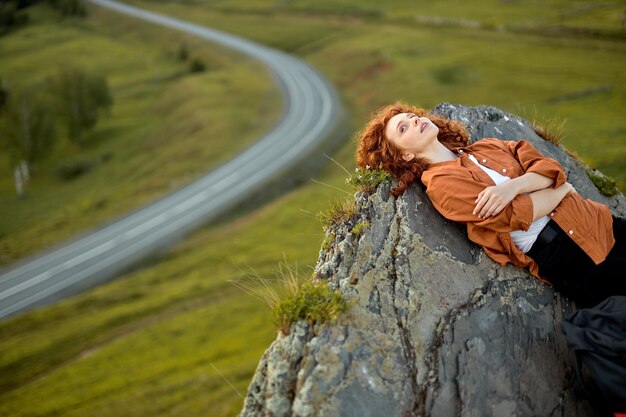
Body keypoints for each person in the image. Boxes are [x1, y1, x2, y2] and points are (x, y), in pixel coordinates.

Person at [356, 102, 626, 307]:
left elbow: (550, 168)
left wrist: (513, 187)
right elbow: (515, 215)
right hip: (565, 253)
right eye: (403, 128)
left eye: (413, 117)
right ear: (405, 154)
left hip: (594, 219)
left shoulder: (488, 147)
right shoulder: (441, 185)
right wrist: (561, 189)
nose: (415, 121)